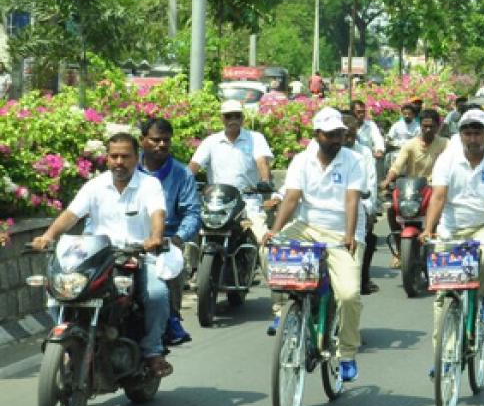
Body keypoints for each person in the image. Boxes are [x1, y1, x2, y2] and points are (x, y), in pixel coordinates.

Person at [33, 133, 173, 377]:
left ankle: (152, 351)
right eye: (114, 156)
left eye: (125, 156)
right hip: (98, 258)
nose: (119, 161)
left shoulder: (149, 185)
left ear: (137, 157)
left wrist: (155, 238)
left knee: (158, 294)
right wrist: (48, 236)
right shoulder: (94, 186)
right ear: (106, 159)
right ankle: (68, 347)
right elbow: (71, 215)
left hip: (136, 257)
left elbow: (157, 215)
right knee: (59, 291)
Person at [263, 107, 366, 381]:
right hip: (306, 227)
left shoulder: (354, 161)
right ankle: (281, 308)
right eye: (330, 134)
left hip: (342, 231)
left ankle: (347, 354)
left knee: (348, 294)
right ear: (317, 135)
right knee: (270, 250)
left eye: (340, 134)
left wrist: (349, 235)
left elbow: (351, 200)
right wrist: (275, 232)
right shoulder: (301, 160)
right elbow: (292, 198)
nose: (336, 139)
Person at [422, 109, 484, 354]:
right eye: (468, 133)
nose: (473, 138)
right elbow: (438, 196)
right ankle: (444, 355)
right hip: (451, 228)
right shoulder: (447, 159)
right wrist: (429, 230)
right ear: (460, 135)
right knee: (443, 296)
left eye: (477, 133)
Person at [188, 100, 275, 292]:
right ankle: (194, 269)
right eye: (229, 116)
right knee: (189, 228)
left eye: (237, 115)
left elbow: (262, 162)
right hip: (216, 201)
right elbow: (193, 166)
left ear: (243, 118)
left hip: (247, 201)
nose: (233, 120)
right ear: (222, 118)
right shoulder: (211, 141)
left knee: (264, 241)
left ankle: (278, 296)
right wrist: (185, 183)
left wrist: (265, 181)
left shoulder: (255, 138)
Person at [138, 118, 201, 346]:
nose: (161, 145)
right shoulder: (128, 172)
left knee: (170, 267)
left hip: (165, 241)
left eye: (166, 140)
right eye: (155, 140)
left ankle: (172, 319)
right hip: (129, 240)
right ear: (142, 140)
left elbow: (193, 212)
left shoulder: (182, 174)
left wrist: (177, 239)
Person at [381, 109, 449, 268]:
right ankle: (399, 250)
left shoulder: (445, 144)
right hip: (413, 191)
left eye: (431, 126)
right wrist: (387, 180)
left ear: (438, 127)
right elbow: (397, 167)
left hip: (436, 190)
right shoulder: (410, 145)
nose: (427, 129)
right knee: (392, 210)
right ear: (420, 125)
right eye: (424, 126)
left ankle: (441, 251)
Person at [340, 110, 381, 295]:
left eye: (352, 136)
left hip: (358, 208)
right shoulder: (323, 151)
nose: (348, 140)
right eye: (345, 135)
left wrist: (368, 209)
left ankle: (363, 279)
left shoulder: (363, 153)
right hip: (329, 212)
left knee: (367, 237)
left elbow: (370, 182)